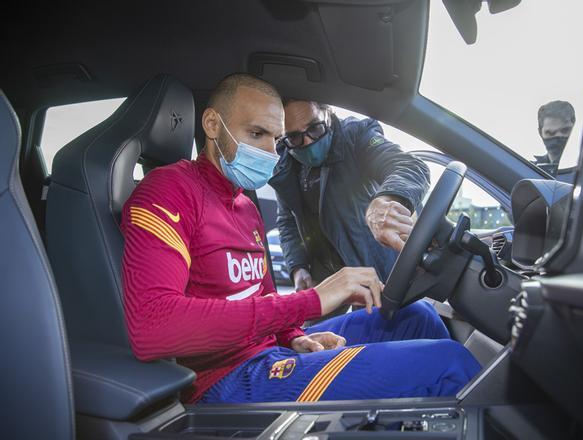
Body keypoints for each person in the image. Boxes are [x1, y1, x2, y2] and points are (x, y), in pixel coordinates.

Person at [121, 73, 480, 404]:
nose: (269, 153)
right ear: (213, 125)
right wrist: (311, 300)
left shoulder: (244, 205)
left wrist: (294, 336)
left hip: (269, 352)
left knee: (415, 316)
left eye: (276, 140)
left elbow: (261, 296)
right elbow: (152, 325)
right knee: (449, 364)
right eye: (257, 134)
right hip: (228, 377)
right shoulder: (169, 191)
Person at [270, 100, 430, 297]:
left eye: (315, 128)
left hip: (373, 268)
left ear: (327, 114)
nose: (308, 142)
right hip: (324, 276)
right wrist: (298, 266)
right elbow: (287, 221)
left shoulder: (356, 136)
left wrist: (386, 200)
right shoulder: (285, 167)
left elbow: (409, 166)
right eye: (295, 138)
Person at [533, 100, 576, 170]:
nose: (558, 136)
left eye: (565, 130)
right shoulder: (533, 172)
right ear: (540, 133)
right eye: (550, 133)